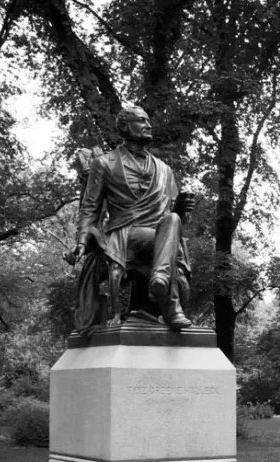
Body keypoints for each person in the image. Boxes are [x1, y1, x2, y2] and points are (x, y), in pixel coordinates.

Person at [68, 105, 195, 331]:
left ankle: (159, 280)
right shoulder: (105, 163)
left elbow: (176, 223)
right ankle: (170, 306)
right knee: (168, 232)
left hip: (160, 234)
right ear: (125, 127)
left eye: (148, 121)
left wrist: (181, 209)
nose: (148, 125)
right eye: (141, 121)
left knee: (173, 220)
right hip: (126, 234)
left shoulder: (164, 170)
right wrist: (80, 241)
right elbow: (90, 208)